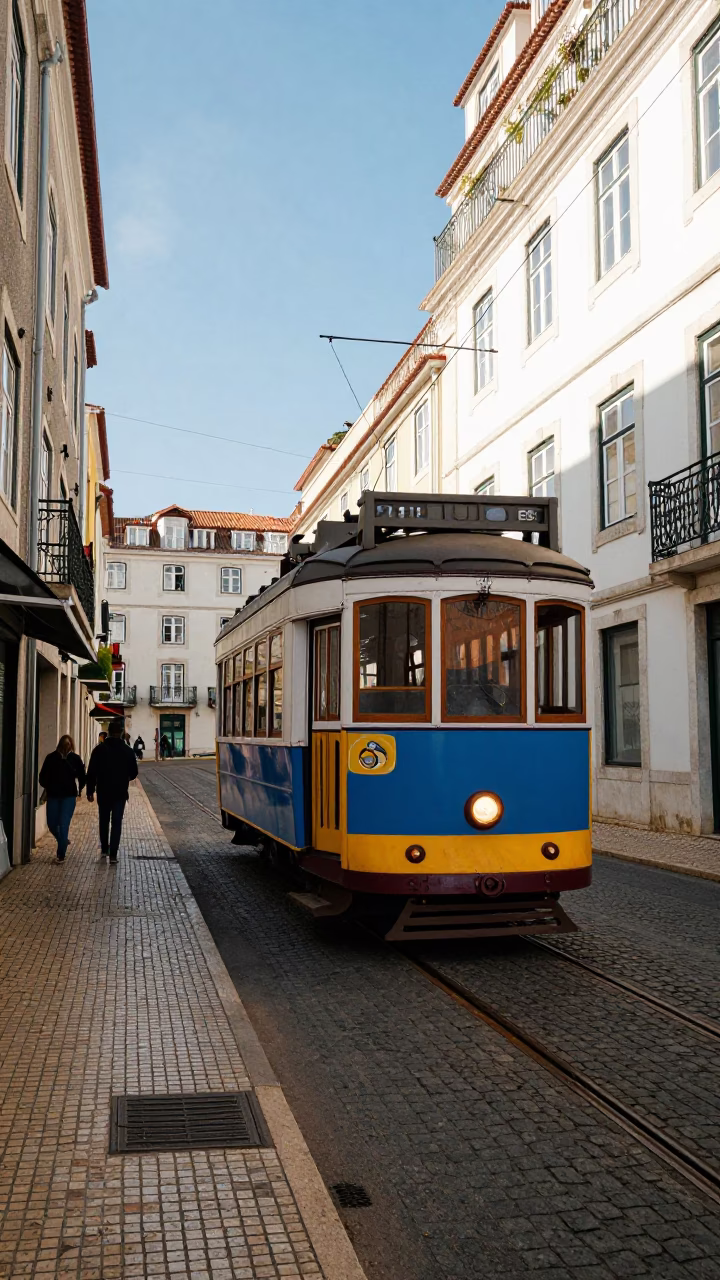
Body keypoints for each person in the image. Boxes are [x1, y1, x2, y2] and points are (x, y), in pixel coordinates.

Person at [86, 718, 139, 862]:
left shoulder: (99, 749)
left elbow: (91, 772)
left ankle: (104, 849)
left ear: (108, 732)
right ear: (121, 732)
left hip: (103, 791)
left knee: (104, 820)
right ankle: (114, 854)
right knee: (116, 822)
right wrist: (124, 778)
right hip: (120, 792)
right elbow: (134, 772)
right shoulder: (127, 751)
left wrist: (89, 790)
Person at [39, 735, 86, 863]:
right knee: (52, 824)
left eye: (68, 745)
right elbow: (42, 776)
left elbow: (82, 776)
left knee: (64, 823)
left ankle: (61, 854)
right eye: (64, 745)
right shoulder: (51, 758)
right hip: (53, 795)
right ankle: (63, 840)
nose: (66, 747)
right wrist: (48, 784)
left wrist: (80, 790)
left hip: (69, 796)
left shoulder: (75, 759)